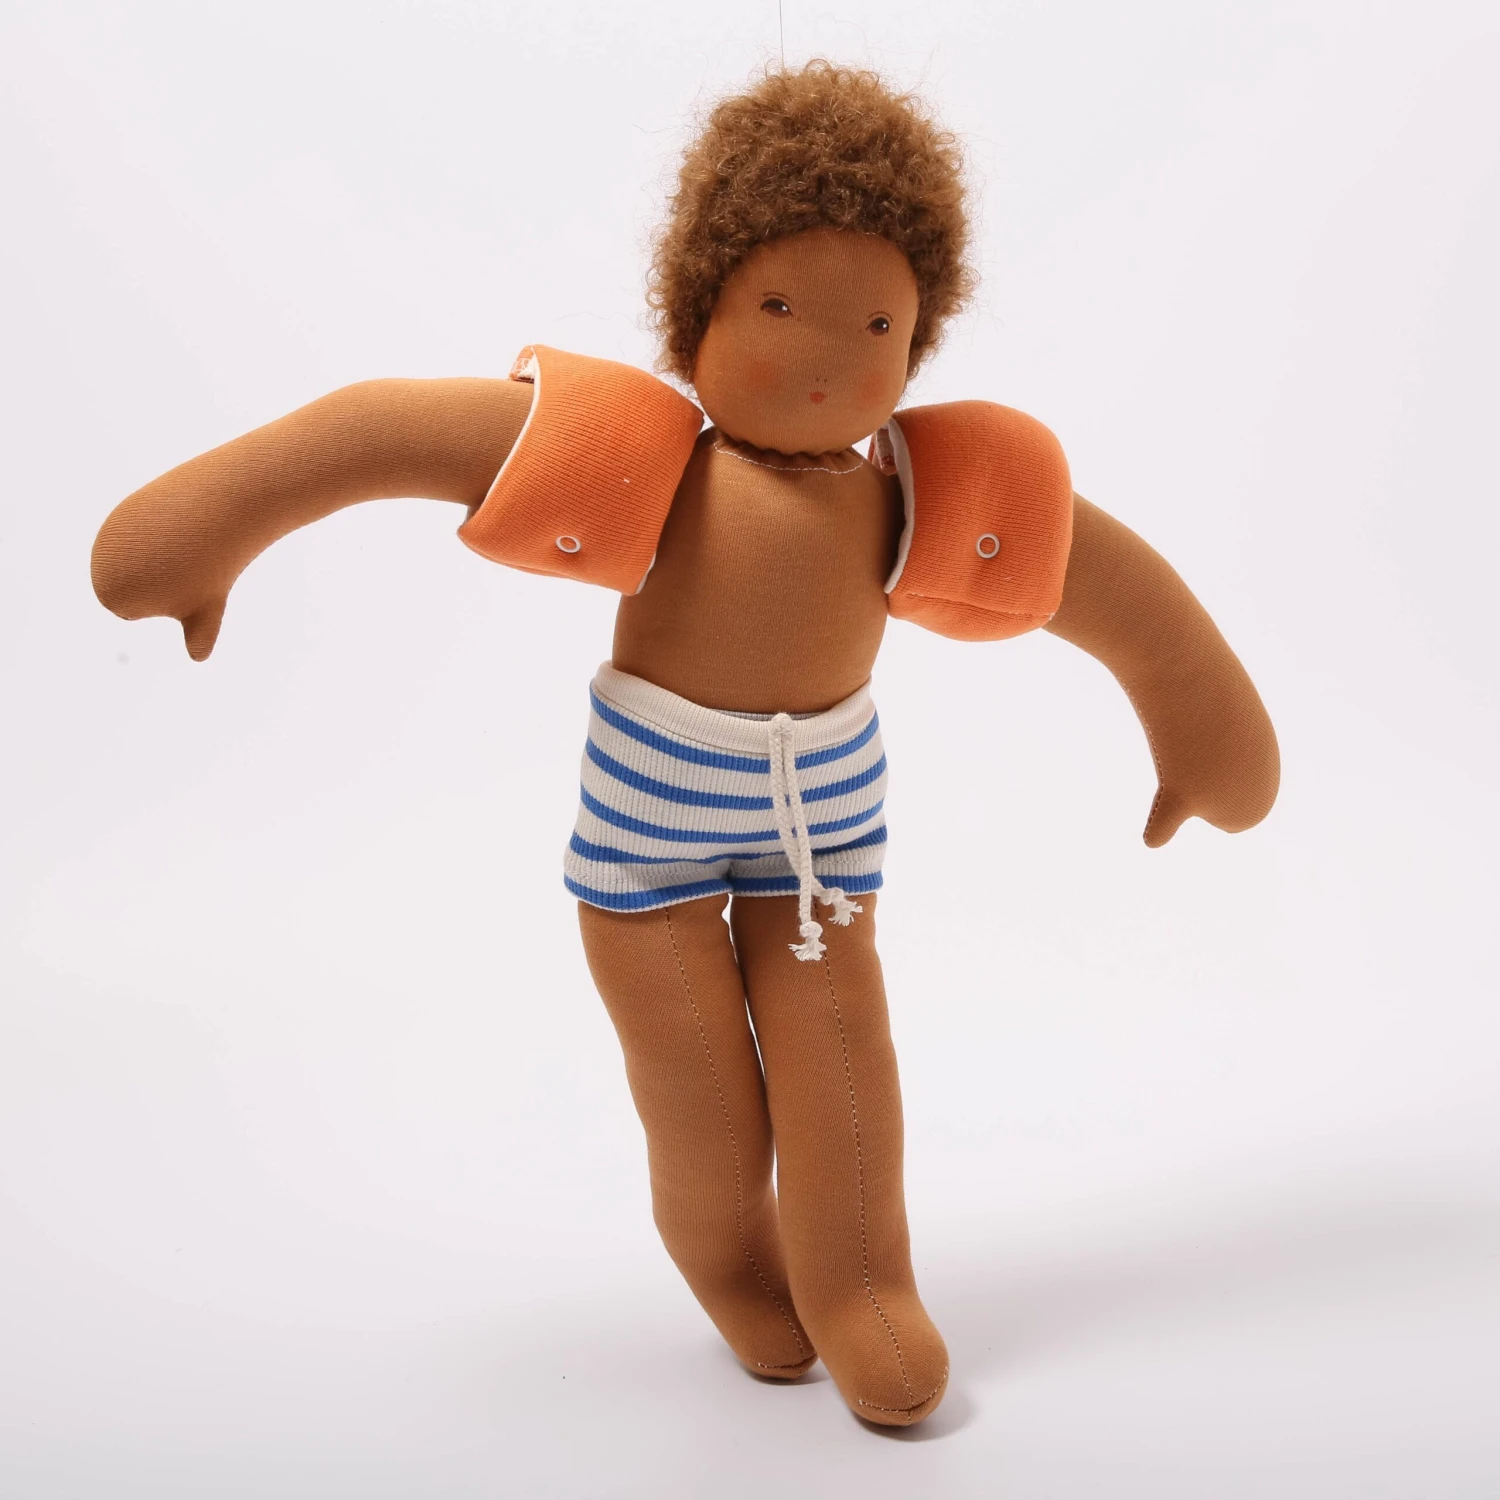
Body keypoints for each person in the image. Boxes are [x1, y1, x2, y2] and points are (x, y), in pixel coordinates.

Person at [90, 61, 1278, 1426]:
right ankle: (733, 1269)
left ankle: (864, 1288)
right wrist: (203, 532)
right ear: (698, 306)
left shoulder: (924, 488)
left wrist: (1200, 722)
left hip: (821, 850)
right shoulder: (634, 453)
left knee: (843, 1074)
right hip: (645, 852)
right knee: (703, 1098)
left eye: (877, 324)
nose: (828, 356)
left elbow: (1113, 594)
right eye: (779, 308)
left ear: (918, 341)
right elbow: (379, 432)